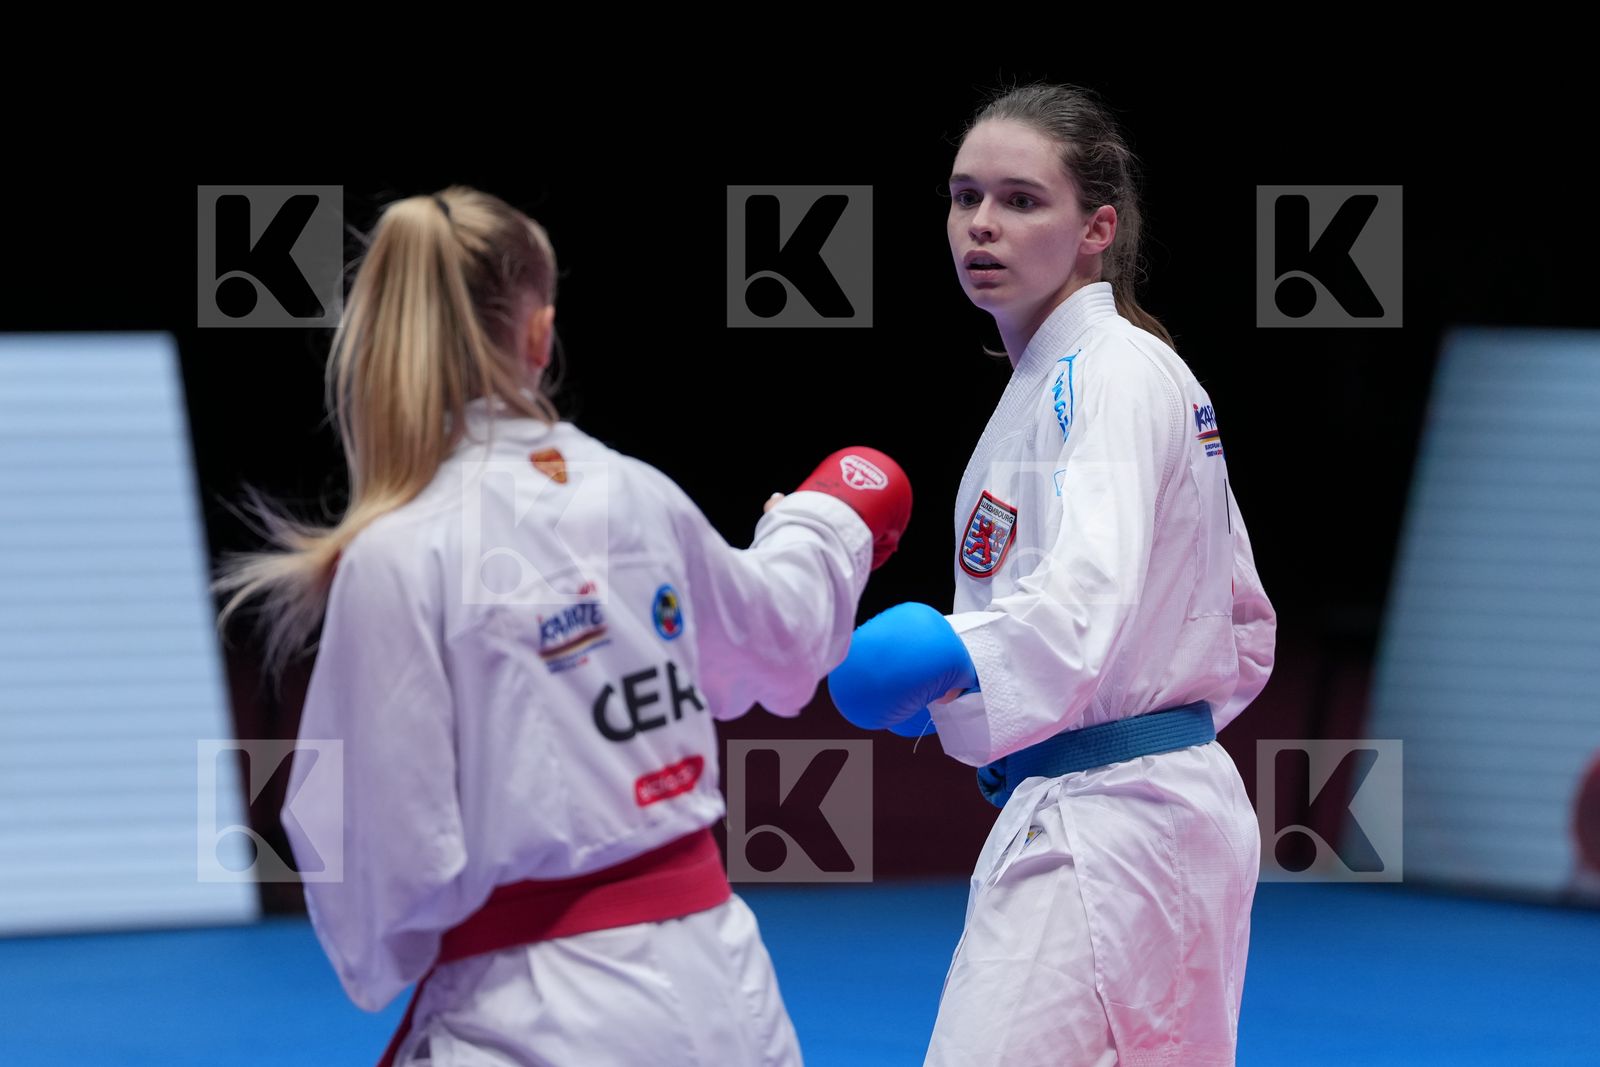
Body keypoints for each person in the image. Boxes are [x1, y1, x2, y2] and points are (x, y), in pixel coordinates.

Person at [212, 186, 912, 1067]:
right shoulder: (635, 491)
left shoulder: (397, 554)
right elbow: (779, 641)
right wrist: (823, 520)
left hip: (532, 1018)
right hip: (725, 991)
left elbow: (377, 854)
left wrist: (393, 951)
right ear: (539, 335)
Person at [827, 83, 1276, 1065]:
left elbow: (1083, 600)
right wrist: (960, 696)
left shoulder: (1108, 374)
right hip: (1137, 805)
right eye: (963, 195)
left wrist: (955, 658)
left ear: (1095, 228)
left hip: (1113, 823)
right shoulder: (1079, 376)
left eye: (1021, 200)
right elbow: (1238, 624)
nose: (980, 225)